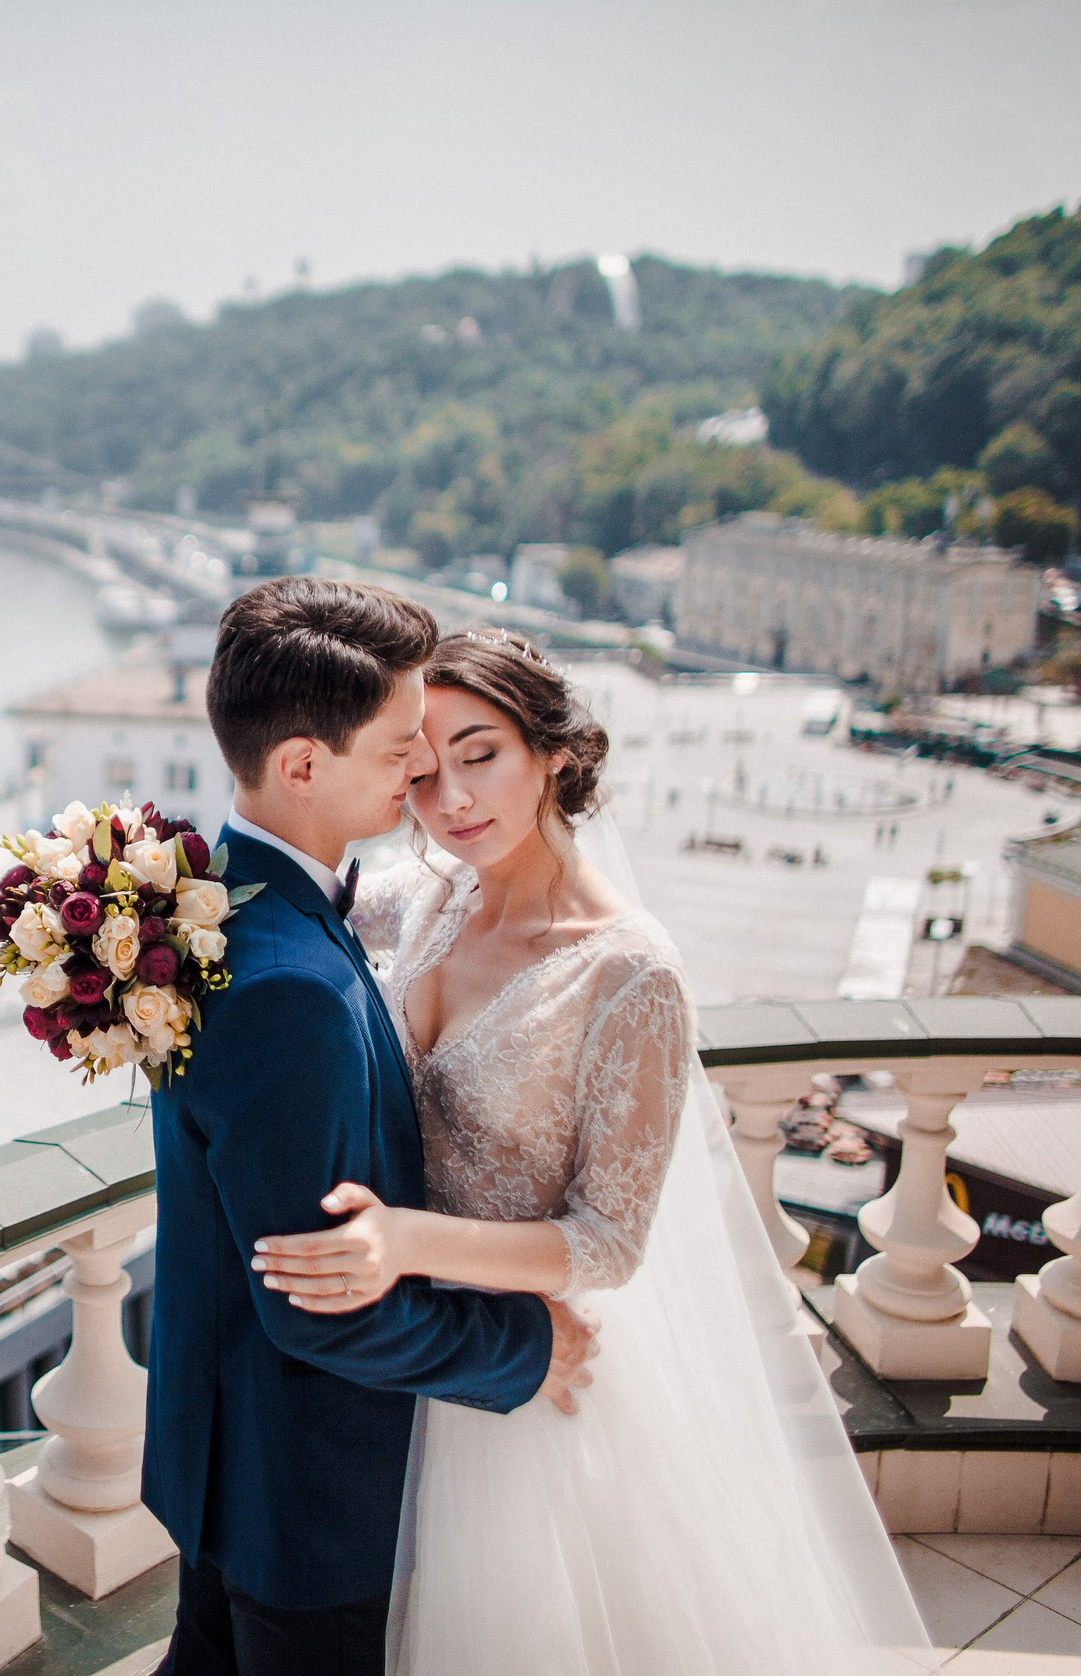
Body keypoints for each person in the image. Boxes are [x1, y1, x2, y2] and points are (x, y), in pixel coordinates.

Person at [251, 629, 926, 1673]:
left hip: (526, 1364)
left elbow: (610, 1241)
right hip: (411, 1350)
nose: (449, 801)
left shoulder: (629, 973)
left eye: (480, 755)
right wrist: (114, 905)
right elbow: (283, 902)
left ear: (552, 754)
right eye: (420, 771)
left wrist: (401, 1238)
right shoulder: (423, 893)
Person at [146, 580, 600, 1676]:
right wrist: (527, 1350)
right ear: (301, 763)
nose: (420, 771)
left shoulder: (225, 898)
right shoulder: (284, 986)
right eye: (400, 746)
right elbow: (320, 1305)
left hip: (230, 1451)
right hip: (311, 1494)